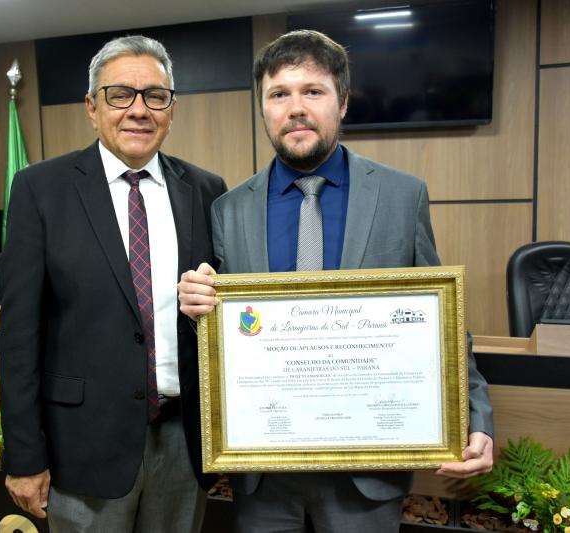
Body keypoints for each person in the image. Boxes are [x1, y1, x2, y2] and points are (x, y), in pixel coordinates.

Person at [178, 30, 494, 533]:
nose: (296, 108)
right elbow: (226, 335)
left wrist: (475, 416)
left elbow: (442, 319)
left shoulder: (401, 196)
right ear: (263, 108)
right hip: (265, 468)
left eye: (313, 91)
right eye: (279, 94)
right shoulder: (229, 209)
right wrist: (197, 306)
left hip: (366, 472)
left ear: (343, 102)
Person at [0, 35, 227, 532]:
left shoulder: (207, 190)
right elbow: (19, 336)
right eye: (120, 94)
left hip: (183, 444)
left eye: (155, 96)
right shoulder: (40, 189)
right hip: (82, 446)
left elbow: (222, 313)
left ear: (171, 110)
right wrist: (24, 456)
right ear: (92, 107)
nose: (138, 110)